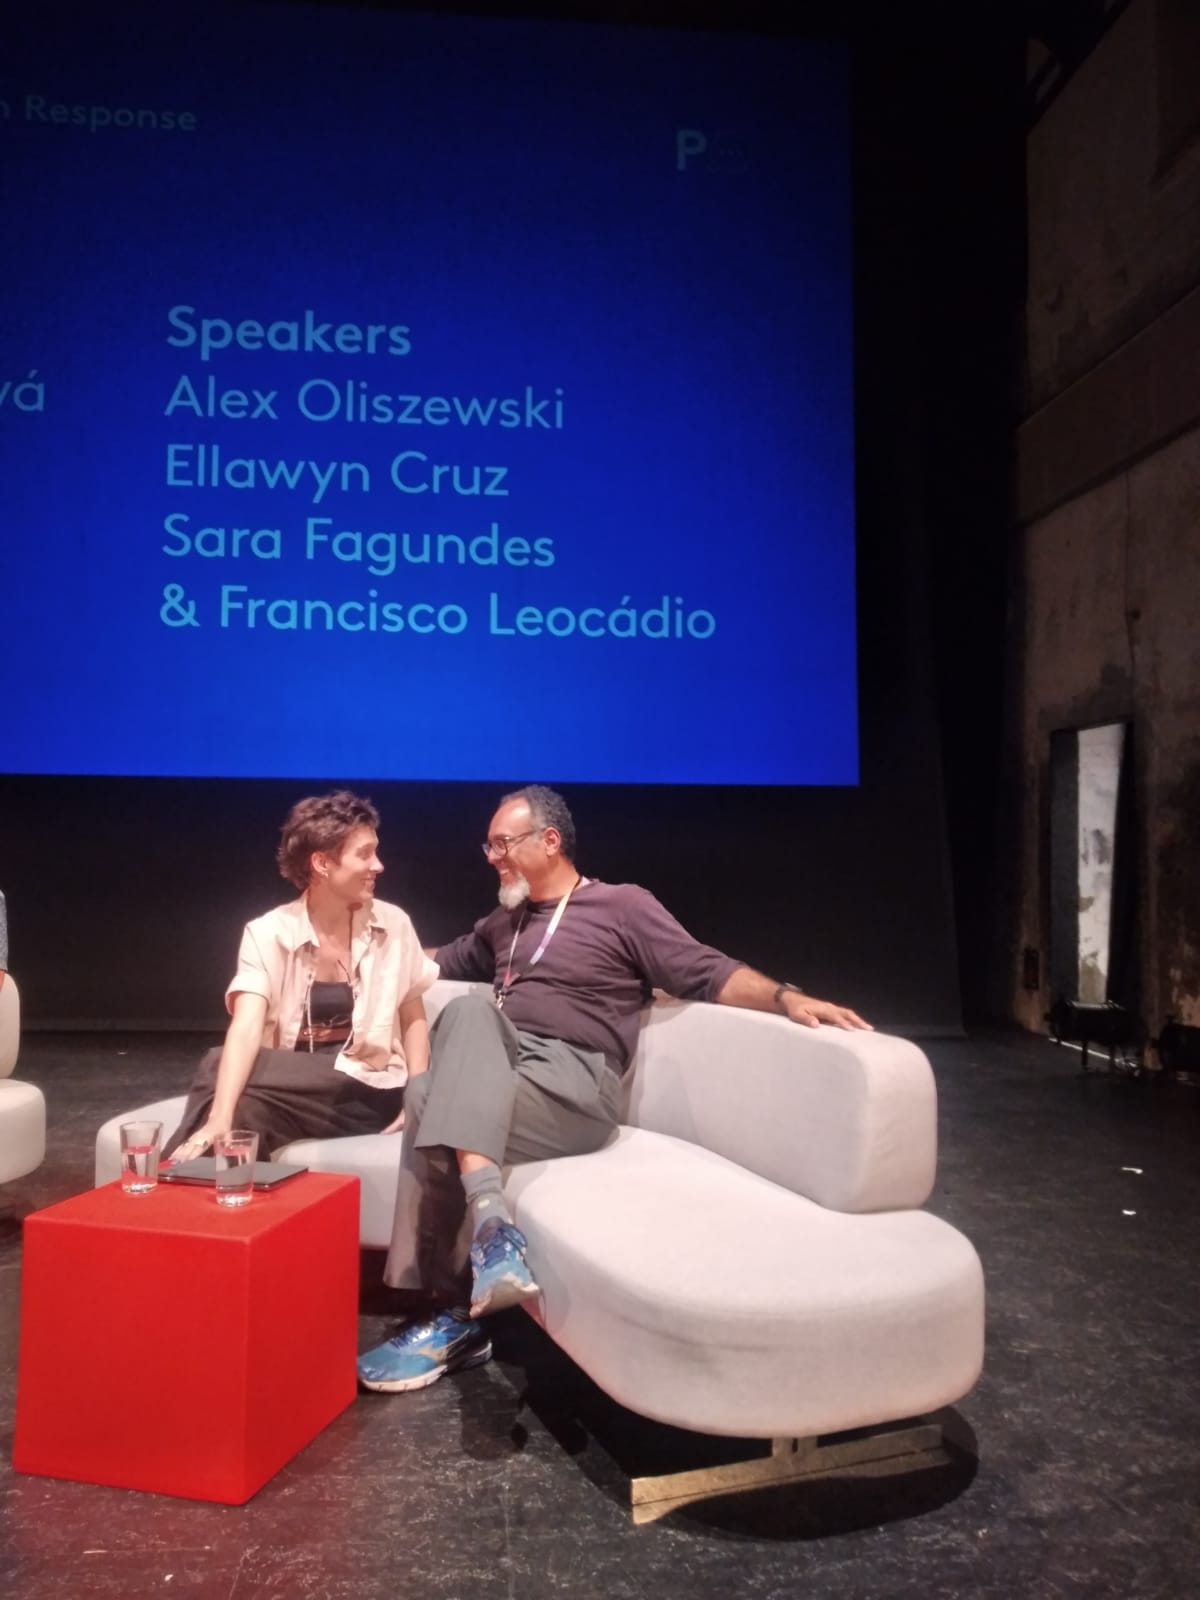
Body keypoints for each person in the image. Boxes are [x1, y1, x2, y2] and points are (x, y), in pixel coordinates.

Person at [357, 784, 869, 1394]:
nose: (492, 857)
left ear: (550, 841)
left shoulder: (622, 907)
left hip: (575, 1087)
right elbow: (436, 959)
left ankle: (449, 1309)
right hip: (505, 1075)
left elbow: (706, 970)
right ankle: (489, 1248)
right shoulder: (504, 924)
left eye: (503, 844)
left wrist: (785, 997)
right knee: (441, 1065)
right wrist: (364, 955)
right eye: (488, 846)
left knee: (438, 1096)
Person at [166, 791, 437, 1162]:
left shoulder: (393, 924)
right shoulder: (268, 933)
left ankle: (159, 1179)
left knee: (217, 1063)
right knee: (243, 1118)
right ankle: (195, 1193)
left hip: (368, 1090)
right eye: (364, 854)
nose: (378, 865)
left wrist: (417, 1097)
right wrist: (220, 1116)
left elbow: (413, 1016)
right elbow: (246, 1025)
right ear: (322, 863)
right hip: (295, 1093)